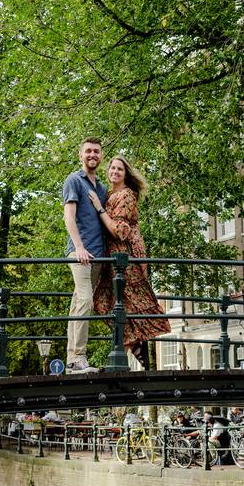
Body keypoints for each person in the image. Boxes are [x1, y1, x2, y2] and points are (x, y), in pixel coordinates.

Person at [89, 155, 171, 370]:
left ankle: (121, 353)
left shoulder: (126, 195)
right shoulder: (109, 194)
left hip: (126, 259)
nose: (115, 172)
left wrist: (99, 208)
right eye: (112, 168)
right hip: (112, 261)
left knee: (131, 304)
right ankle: (134, 342)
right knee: (102, 302)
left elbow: (120, 231)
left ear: (126, 174)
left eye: (120, 169)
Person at [62, 137, 108, 374]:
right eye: (88, 151)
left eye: (97, 151)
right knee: (86, 300)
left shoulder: (101, 187)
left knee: (78, 302)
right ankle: (79, 356)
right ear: (81, 155)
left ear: (101, 156)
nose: (92, 155)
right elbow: (69, 216)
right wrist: (78, 247)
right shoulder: (74, 180)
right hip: (80, 252)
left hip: (98, 256)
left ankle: (71, 359)